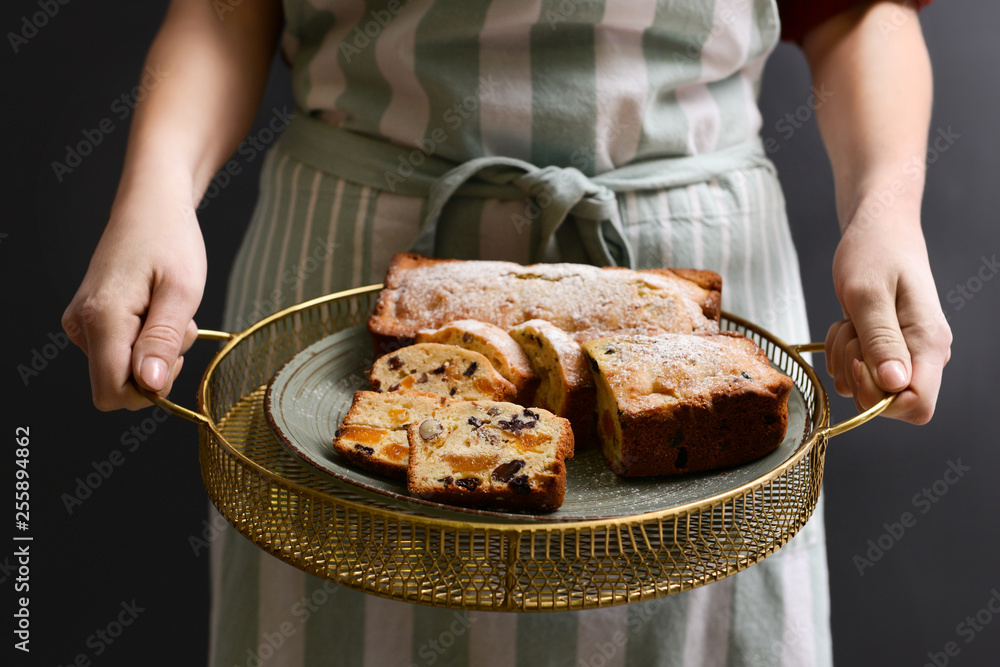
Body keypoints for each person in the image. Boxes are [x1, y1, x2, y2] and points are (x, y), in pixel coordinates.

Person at [62, 0, 952, 665]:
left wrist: (885, 207)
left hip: (688, 296)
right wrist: (155, 191)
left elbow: (858, 12)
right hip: (350, 268)